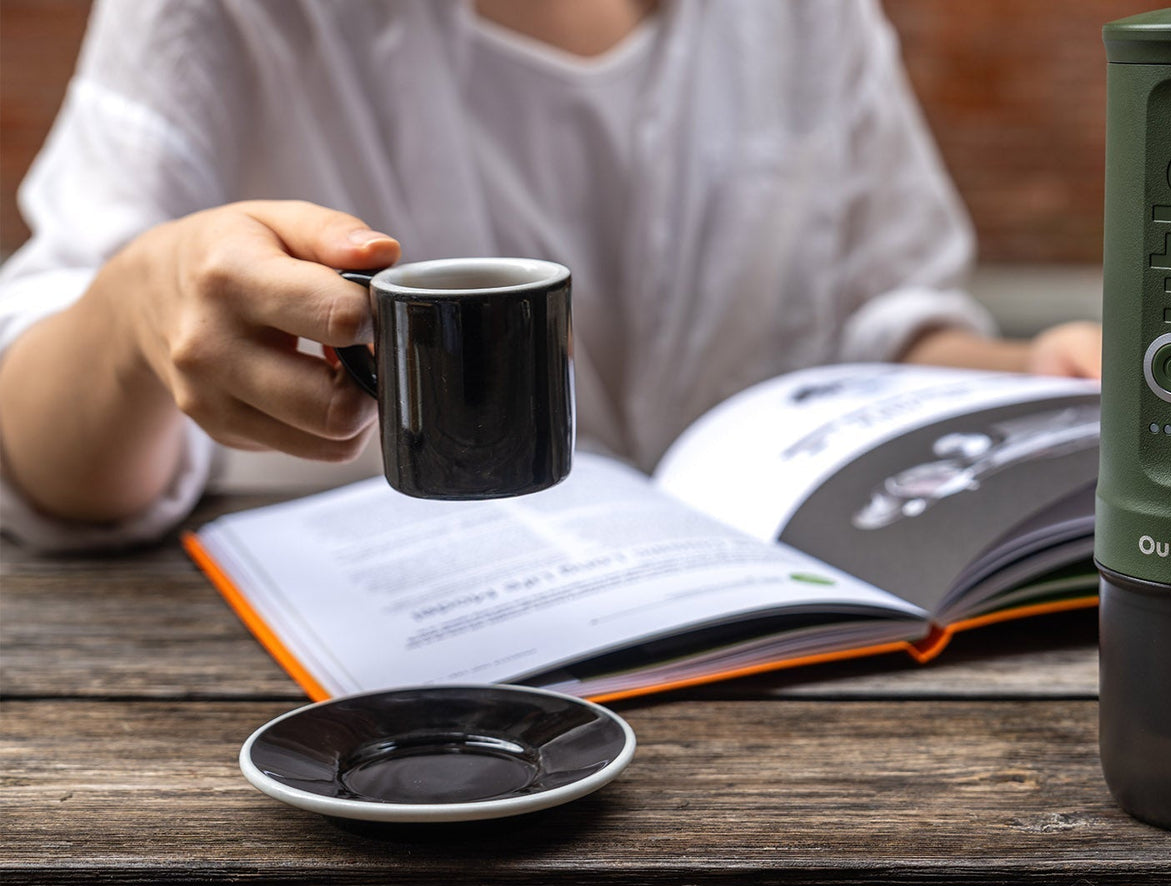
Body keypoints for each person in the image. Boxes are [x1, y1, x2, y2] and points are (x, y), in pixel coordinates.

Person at [0, 0, 1101, 552]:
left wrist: (1019, 370)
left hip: (781, 684)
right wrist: (130, 317)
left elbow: (881, 325)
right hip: (365, 692)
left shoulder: (810, 21)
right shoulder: (224, 18)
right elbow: (39, 455)